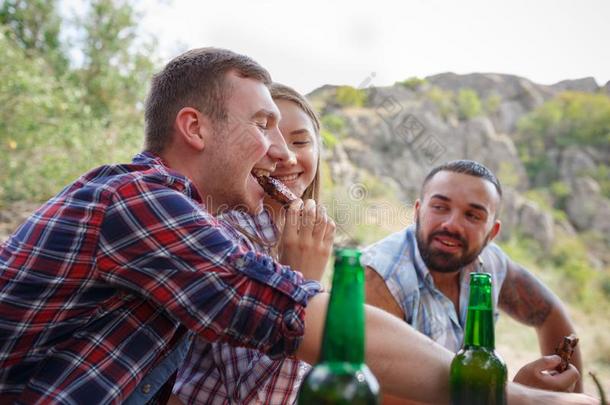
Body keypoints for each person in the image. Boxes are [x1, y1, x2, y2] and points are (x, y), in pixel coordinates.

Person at [0, 48, 597, 405]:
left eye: (294, 138)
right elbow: (299, 322)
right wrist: (515, 398)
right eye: (262, 126)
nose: (277, 152)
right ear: (195, 128)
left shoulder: (183, 216)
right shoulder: (140, 201)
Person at [362, 160, 584, 403]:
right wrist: (513, 395)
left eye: (473, 215)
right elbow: (382, 395)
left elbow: (549, 314)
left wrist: (576, 395)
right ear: (417, 211)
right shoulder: (381, 276)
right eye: (439, 207)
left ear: (492, 233)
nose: (452, 224)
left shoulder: (490, 263)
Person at [172, 82, 327, 405]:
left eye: (301, 141)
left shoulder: (306, 235)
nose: (286, 156)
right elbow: (256, 399)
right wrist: (301, 280)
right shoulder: (226, 234)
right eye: (267, 138)